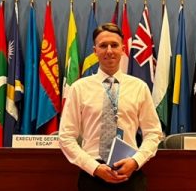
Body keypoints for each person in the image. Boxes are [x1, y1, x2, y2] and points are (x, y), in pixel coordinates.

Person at [59, 23, 163, 191]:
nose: (109, 51)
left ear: (123, 49)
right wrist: (94, 167)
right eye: (103, 45)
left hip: (130, 172)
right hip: (92, 175)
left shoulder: (139, 87)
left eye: (114, 45)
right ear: (95, 51)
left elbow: (153, 133)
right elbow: (66, 137)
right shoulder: (79, 88)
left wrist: (136, 161)